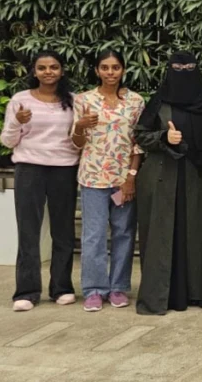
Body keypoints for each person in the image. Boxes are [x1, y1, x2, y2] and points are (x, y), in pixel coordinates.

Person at [134, 52, 202, 315]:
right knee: (163, 234)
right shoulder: (159, 101)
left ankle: (200, 291)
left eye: (189, 67)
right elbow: (140, 134)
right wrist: (164, 136)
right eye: (177, 67)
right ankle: (165, 293)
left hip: (200, 176)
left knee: (199, 231)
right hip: (164, 177)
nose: (183, 72)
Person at [0, 50, 80, 312]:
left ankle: (62, 287)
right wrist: (16, 121)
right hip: (29, 169)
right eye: (42, 68)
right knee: (28, 231)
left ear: (62, 70)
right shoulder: (20, 101)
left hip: (64, 170)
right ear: (34, 72)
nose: (48, 72)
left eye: (54, 67)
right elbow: (8, 141)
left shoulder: (74, 101)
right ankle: (26, 291)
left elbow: (78, 139)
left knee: (63, 231)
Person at [71, 50, 145, 312]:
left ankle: (118, 287)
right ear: (97, 71)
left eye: (115, 67)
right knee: (93, 235)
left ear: (123, 70)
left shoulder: (135, 102)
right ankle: (93, 289)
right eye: (105, 67)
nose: (110, 72)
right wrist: (80, 125)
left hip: (123, 177)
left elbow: (139, 143)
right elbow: (77, 142)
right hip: (92, 177)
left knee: (124, 234)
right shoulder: (83, 100)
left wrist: (131, 177)